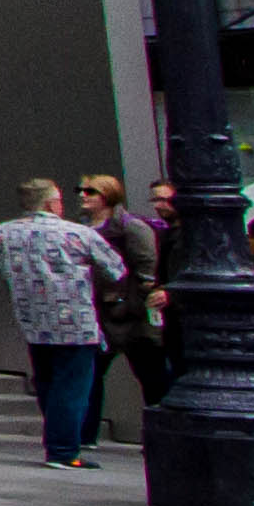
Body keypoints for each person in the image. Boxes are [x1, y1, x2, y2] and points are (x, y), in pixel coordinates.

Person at [0, 177, 129, 469]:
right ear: (50, 203)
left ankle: (56, 437)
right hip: (76, 322)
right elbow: (116, 269)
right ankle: (64, 450)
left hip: (33, 322)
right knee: (72, 387)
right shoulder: (77, 232)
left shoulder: (1, 233)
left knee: (48, 383)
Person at [73, 173, 164, 417]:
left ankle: (160, 426)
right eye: (80, 190)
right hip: (95, 312)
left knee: (150, 375)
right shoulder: (80, 229)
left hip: (130, 313)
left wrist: (135, 300)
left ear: (107, 196)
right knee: (89, 375)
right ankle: (86, 435)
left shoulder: (130, 227)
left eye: (90, 191)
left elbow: (147, 269)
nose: (83, 195)